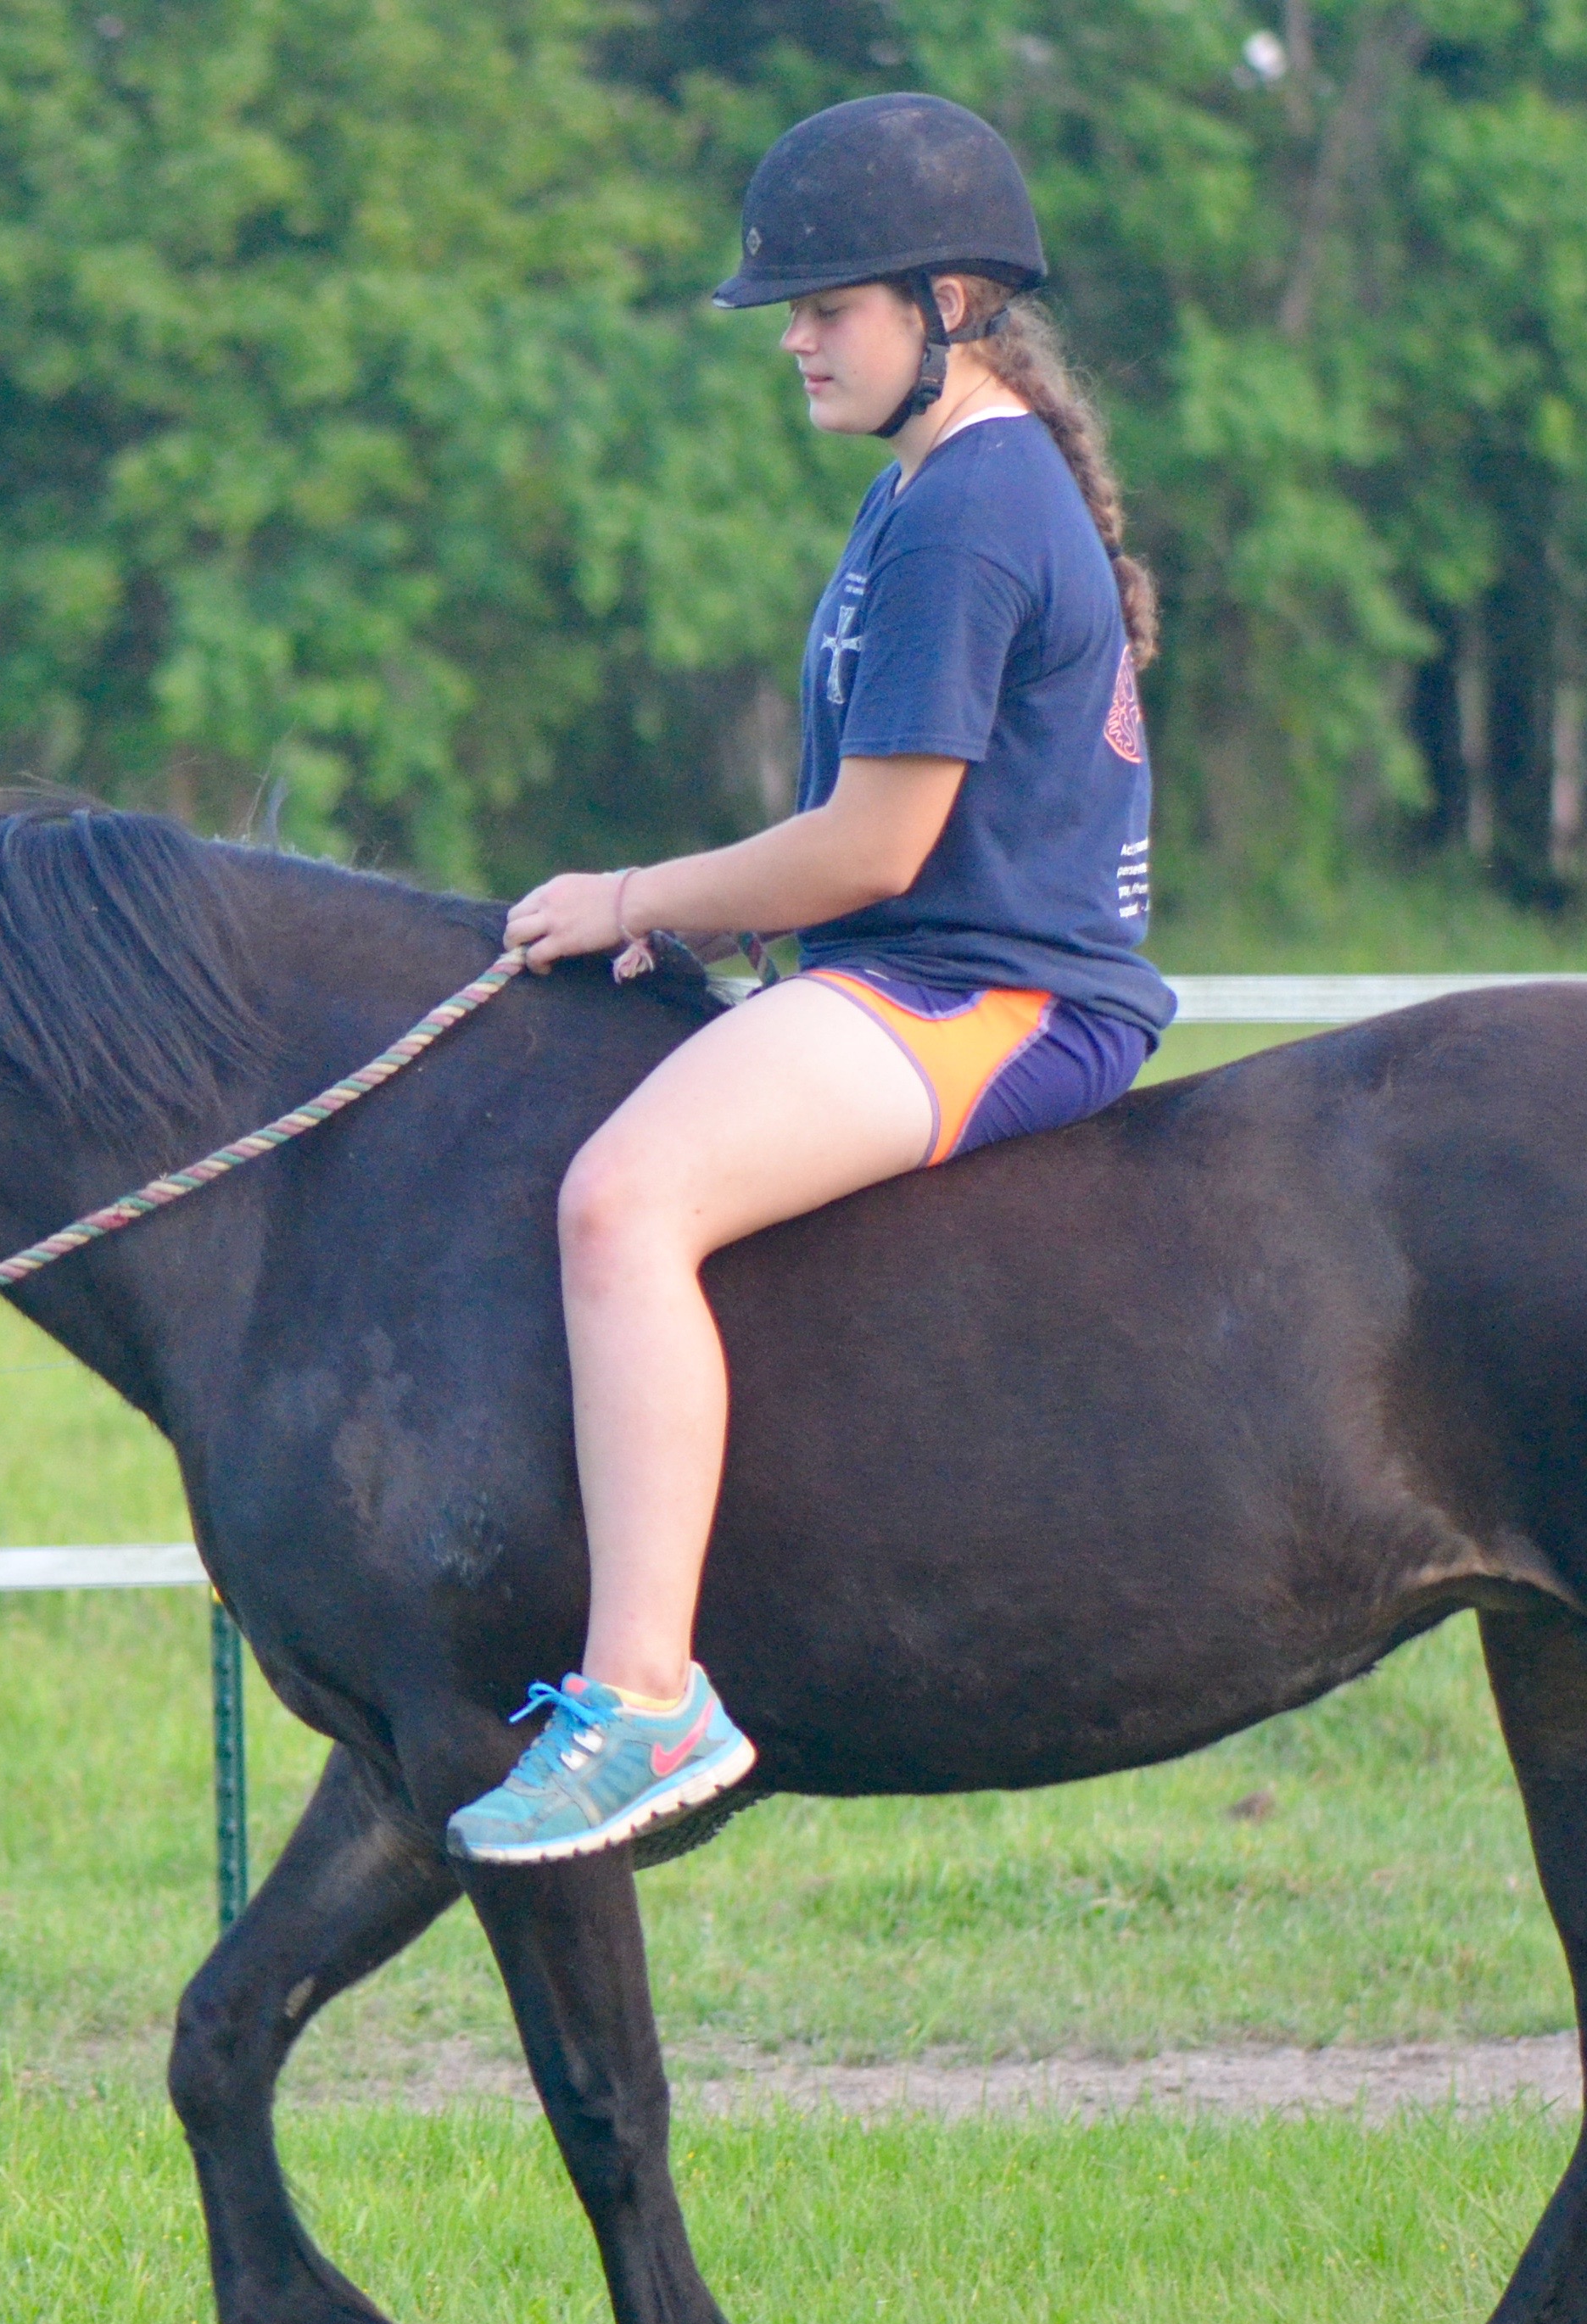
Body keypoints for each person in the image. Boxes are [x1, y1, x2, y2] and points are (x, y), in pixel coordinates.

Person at [446, 92, 1173, 1867]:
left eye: (823, 306)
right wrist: (685, 914)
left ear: (948, 304)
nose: (791, 338)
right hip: (919, 966)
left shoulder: (968, 512)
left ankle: (639, 1700)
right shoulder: (932, 485)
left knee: (621, 1202)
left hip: (986, 995)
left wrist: (642, 890)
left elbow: (871, 852)